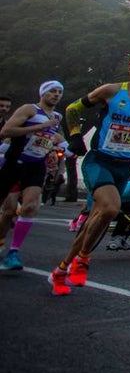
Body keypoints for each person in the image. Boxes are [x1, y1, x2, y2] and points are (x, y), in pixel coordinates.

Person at [51, 53, 130, 295]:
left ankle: (62, 269)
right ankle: (84, 259)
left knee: (95, 221)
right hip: (100, 161)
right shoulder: (110, 91)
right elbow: (72, 109)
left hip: (124, 166)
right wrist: (75, 136)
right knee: (110, 208)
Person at [0, 81, 66, 271]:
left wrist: (67, 148)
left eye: (59, 92)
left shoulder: (57, 117)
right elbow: (6, 131)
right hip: (15, 162)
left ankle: (13, 252)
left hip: (37, 165)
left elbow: (54, 136)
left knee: (29, 207)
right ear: (43, 93)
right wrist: (39, 127)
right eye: (52, 91)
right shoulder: (29, 109)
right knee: (8, 210)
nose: (56, 95)